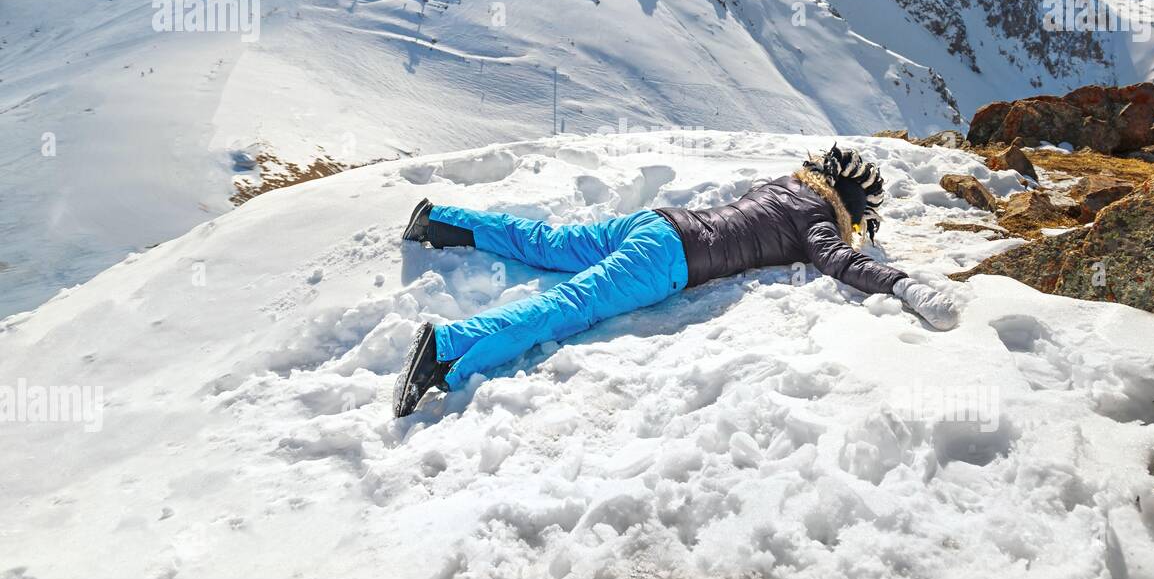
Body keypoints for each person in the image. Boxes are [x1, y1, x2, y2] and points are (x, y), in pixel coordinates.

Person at [392, 145, 958, 417]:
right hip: (669, 261)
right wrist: (904, 284)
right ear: (854, 211)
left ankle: (444, 223)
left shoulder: (785, 186)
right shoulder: (817, 221)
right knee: (570, 306)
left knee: (551, 244)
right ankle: (447, 350)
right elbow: (842, 263)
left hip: (659, 224)